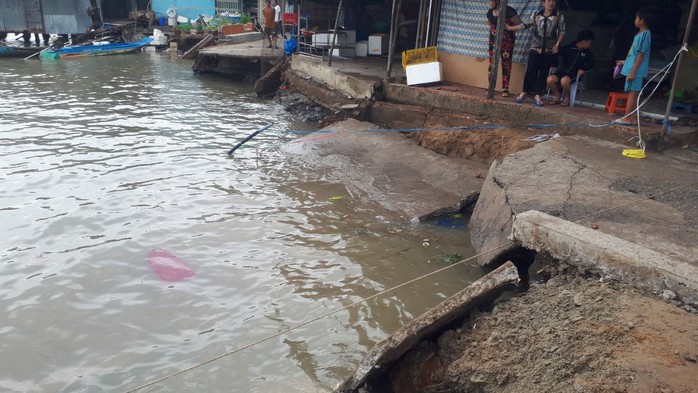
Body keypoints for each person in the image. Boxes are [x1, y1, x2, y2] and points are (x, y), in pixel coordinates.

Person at [509, 0, 565, 107]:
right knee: (530, 71)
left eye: (553, 1)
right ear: (543, 3)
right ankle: (524, 92)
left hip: (549, 49)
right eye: (548, 1)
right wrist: (512, 28)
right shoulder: (536, 15)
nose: (551, 3)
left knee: (543, 72)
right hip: (535, 48)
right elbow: (526, 25)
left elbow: (562, 31)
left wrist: (557, 44)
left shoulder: (558, 16)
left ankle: (538, 94)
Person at [616, 8, 653, 125]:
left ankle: (627, 118)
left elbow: (641, 55)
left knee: (633, 93)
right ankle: (631, 118)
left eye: (636, 18)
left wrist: (632, 71)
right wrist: (625, 62)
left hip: (636, 70)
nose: (635, 20)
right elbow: (635, 54)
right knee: (633, 93)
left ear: (642, 20)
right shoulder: (640, 34)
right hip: (632, 67)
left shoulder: (645, 35)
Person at [546, 29, 595, 106]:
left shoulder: (587, 53)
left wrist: (584, 69)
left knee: (564, 81)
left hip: (575, 73)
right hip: (562, 71)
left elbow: (591, 64)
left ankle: (567, 97)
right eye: (589, 42)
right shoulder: (569, 48)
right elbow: (555, 53)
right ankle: (557, 95)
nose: (590, 45)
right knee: (550, 80)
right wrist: (554, 53)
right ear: (583, 42)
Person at [486, 0, 522, 97]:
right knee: (491, 64)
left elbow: (519, 24)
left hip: (507, 42)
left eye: (491, 0)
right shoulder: (490, 12)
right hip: (493, 42)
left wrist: (510, 28)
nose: (489, 2)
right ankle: (491, 86)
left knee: (506, 64)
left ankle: (505, 88)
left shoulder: (510, 11)